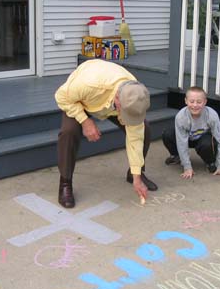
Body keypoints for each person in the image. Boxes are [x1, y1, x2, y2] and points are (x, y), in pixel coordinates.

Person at [54, 59, 157, 208]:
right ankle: (65, 182)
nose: (127, 118)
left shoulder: (135, 92)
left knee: (144, 130)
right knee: (69, 132)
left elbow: (135, 138)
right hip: (82, 99)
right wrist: (85, 121)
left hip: (110, 103)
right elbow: (61, 96)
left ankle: (135, 174)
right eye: (126, 113)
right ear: (117, 99)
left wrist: (137, 177)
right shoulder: (88, 84)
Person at [162, 86, 220, 179]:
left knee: (208, 143)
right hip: (187, 138)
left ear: (205, 102)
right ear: (186, 101)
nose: (195, 105)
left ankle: (210, 162)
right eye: (191, 101)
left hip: (203, 140)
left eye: (199, 102)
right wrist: (187, 167)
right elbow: (181, 143)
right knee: (168, 134)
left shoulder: (212, 115)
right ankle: (176, 156)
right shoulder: (181, 117)